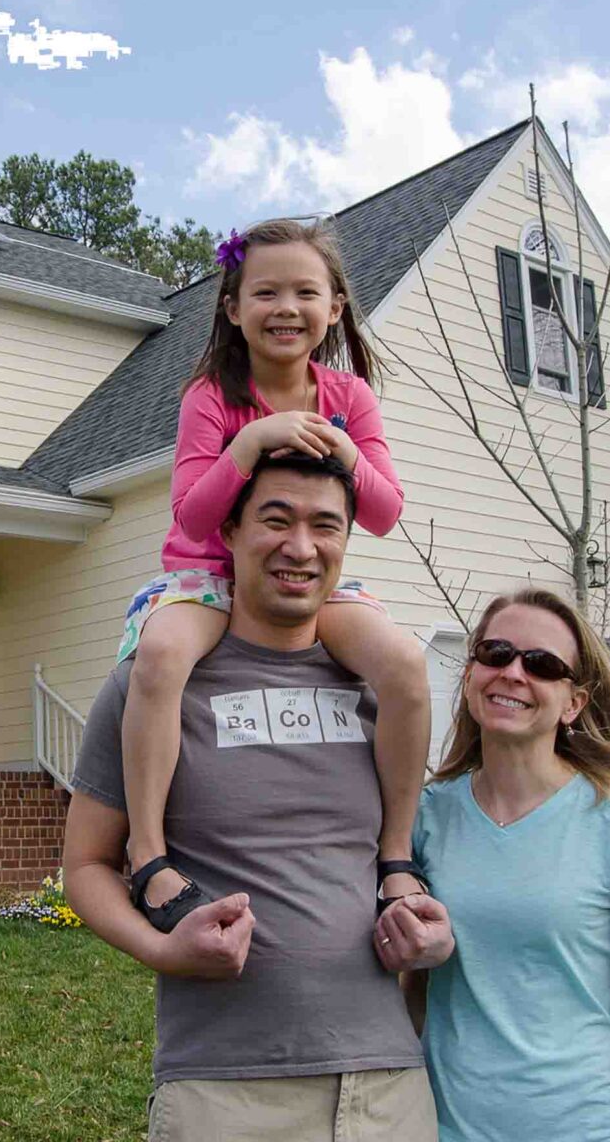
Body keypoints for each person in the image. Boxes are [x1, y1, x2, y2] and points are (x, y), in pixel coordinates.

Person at [65, 450, 454, 1142]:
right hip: (221, 1093)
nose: (300, 547)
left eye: (325, 526)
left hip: (385, 1089)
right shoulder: (153, 686)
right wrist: (164, 952)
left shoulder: (380, 693)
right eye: (276, 520)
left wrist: (429, 934)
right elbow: (88, 866)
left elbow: (411, 861)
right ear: (232, 532)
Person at [118, 217, 431, 927]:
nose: (285, 308)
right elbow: (194, 520)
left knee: (406, 666)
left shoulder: (348, 398)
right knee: (162, 655)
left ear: (335, 308)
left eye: (304, 292)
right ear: (233, 308)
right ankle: (146, 851)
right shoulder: (210, 395)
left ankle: (396, 854)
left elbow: (382, 514)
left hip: (307, 579)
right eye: (265, 292)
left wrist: (347, 454)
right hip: (210, 577)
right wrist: (251, 441)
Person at [381, 588, 610, 1141]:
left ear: (573, 704)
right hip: (447, 1129)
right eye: (496, 653)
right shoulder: (423, 816)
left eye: (541, 664)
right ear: (471, 674)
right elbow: (409, 993)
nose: (513, 672)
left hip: (592, 1127)